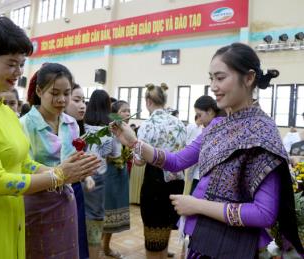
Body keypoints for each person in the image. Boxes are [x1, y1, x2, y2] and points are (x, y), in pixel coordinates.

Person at [112, 43, 304, 258]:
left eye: (220, 78)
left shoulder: (262, 133)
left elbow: (264, 213)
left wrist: (197, 205)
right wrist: (134, 142)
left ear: (249, 78)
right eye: (211, 78)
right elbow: (176, 161)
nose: (213, 86)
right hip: (202, 237)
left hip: (232, 247)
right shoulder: (217, 125)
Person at [0, 17, 100, 259]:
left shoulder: (6, 112)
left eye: (21, 64)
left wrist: (64, 171)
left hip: (15, 223)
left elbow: (23, 163)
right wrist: (57, 176)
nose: (18, 72)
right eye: (11, 64)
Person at [20, 63, 83, 258]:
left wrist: (82, 170)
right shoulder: (25, 125)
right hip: (35, 205)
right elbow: (23, 169)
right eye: (54, 93)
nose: (62, 99)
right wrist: (61, 173)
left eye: (67, 93)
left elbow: (72, 165)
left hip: (66, 201)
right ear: (39, 90)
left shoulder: (72, 124)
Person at [130, 83, 187, 258]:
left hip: (155, 181)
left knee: (153, 233)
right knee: (166, 226)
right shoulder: (179, 123)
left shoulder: (147, 125)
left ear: (148, 101)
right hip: (176, 180)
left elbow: (139, 162)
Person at [83, 89, 120, 259]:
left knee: (80, 213)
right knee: (96, 217)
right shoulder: (109, 129)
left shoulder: (80, 124)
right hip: (98, 174)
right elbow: (116, 154)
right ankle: (93, 254)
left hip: (78, 173)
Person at [65, 83, 92, 259]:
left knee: (76, 235)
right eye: (77, 100)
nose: (82, 105)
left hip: (75, 189)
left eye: (84, 100)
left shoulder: (79, 128)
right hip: (55, 186)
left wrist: (87, 175)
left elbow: (80, 157)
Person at [102, 100, 131, 259]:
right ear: (114, 114)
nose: (127, 114)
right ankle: (98, 245)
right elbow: (103, 155)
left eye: (129, 111)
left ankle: (106, 246)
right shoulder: (108, 131)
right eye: (124, 111)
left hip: (122, 173)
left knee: (116, 211)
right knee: (107, 210)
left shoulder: (129, 131)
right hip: (109, 173)